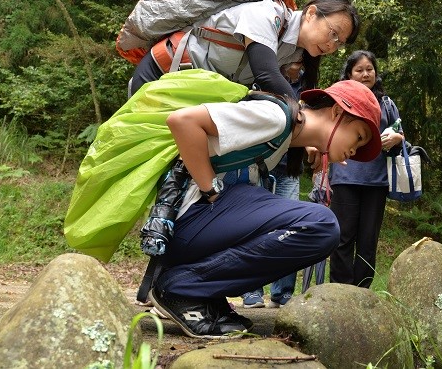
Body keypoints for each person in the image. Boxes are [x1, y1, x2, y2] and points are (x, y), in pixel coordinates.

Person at [147, 79, 382, 339]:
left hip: (194, 229)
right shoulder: (275, 116)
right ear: (337, 111)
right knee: (321, 225)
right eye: (358, 136)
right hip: (189, 222)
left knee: (299, 216)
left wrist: (310, 145)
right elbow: (183, 121)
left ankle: (200, 290)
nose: (354, 149)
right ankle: (181, 287)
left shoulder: (283, 134)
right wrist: (211, 190)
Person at [129, 0, 360, 99]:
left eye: (339, 44)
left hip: (188, 93)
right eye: (333, 34)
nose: (332, 46)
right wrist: (300, 110)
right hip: (160, 73)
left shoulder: (294, 54)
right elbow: (265, 74)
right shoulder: (268, 13)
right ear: (311, 13)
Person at [328, 50, 404, 288]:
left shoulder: (386, 103)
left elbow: (401, 134)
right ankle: (341, 291)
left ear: (376, 73)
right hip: (344, 177)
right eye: (359, 70)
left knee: (368, 240)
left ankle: (361, 292)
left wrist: (397, 139)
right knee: (343, 237)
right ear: (349, 73)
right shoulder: (338, 100)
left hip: (376, 181)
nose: (365, 74)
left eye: (369, 69)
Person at [241, 62, 304, 309]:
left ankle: (283, 292)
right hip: (258, 162)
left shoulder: (307, 85)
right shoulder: (262, 74)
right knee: (253, 226)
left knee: (289, 228)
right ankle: (250, 290)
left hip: (290, 167)